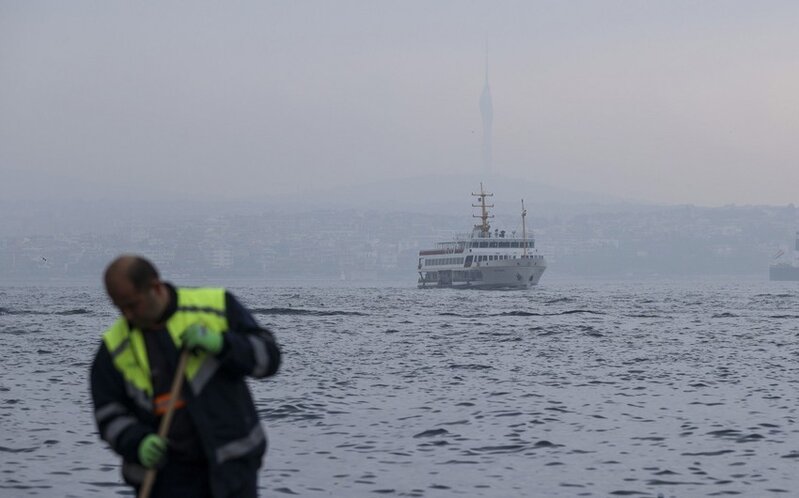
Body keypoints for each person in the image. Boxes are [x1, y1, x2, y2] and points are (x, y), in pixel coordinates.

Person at [90, 255, 281, 497]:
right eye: (119, 307)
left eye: (133, 305)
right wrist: (137, 442)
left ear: (156, 288)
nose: (127, 315)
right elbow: (108, 414)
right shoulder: (114, 349)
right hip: (165, 481)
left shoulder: (216, 307)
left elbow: (269, 359)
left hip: (231, 472)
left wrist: (223, 344)